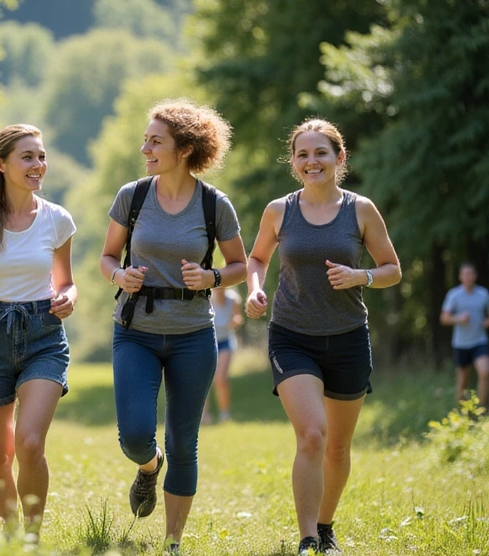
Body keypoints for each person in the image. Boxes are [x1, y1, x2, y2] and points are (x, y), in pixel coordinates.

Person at [245, 118, 401, 556]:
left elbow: (393, 269)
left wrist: (361, 275)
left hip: (348, 337)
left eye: (320, 153)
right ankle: (308, 538)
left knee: (337, 446)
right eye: (302, 154)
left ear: (339, 157)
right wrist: (255, 290)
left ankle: (327, 525)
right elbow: (257, 258)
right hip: (292, 336)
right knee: (312, 434)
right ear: (293, 162)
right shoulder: (280, 210)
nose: (311, 162)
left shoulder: (361, 209)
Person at [99, 99, 247, 554]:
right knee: (136, 434)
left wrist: (213, 277)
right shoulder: (133, 195)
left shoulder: (213, 203)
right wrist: (119, 275)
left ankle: (172, 542)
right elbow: (107, 257)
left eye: (155, 141)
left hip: (193, 336)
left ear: (184, 148)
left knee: (184, 440)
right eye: (145, 139)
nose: (145, 148)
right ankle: (148, 466)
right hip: (136, 331)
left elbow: (242, 264)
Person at [0, 124, 76, 539]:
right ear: (1, 164)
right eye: (28, 157)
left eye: (41, 156)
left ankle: (32, 538)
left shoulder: (58, 219)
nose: (38, 165)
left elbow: (67, 281)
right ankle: (9, 535)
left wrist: (69, 297)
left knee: (29, 444)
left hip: (43, 334)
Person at [440, 262, 489, 409]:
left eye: (471, 273)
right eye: (465, 274)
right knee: (463, 382)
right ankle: (461, 413)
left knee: (485, 372)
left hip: (479, 340)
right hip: (461, 343)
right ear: (461, 277)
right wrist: (459, 318)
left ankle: (480, 410)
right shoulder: (454, 295)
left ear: (475, 276)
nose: (468, 276)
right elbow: (444, 318)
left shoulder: (483, 294)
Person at [202, 286, 243, 424]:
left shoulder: (233, 299)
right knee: (204, 379)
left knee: (220, 379)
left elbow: (237, 317)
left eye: (222, 288)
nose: (219, 290)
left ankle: (224, 413)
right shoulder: (208, 299)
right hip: (209, 341)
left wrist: (235, 321)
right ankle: (204, 415)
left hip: (226, 342)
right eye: (217, 288)